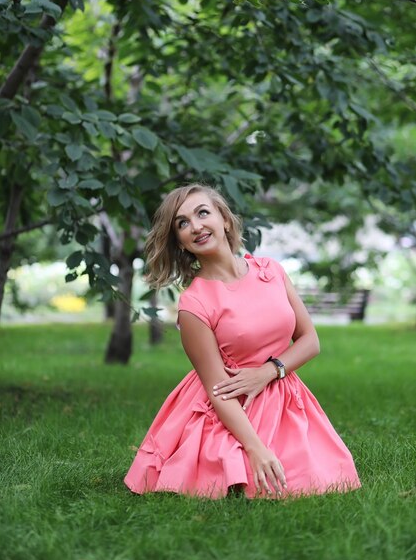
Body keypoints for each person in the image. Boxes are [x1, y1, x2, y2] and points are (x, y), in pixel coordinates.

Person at [124, 183, 361, 498]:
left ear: (223, 219)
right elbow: (217, 388)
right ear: (179, 241)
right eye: (182, 223)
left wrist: (268, 371)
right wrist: (255, 448)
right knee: (247, 476)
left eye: (202, 213)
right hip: (230, 400)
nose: (195, 226)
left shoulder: (272, 271)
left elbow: (310, 340)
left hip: (283, 390)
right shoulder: (194, 304)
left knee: (320, 478)